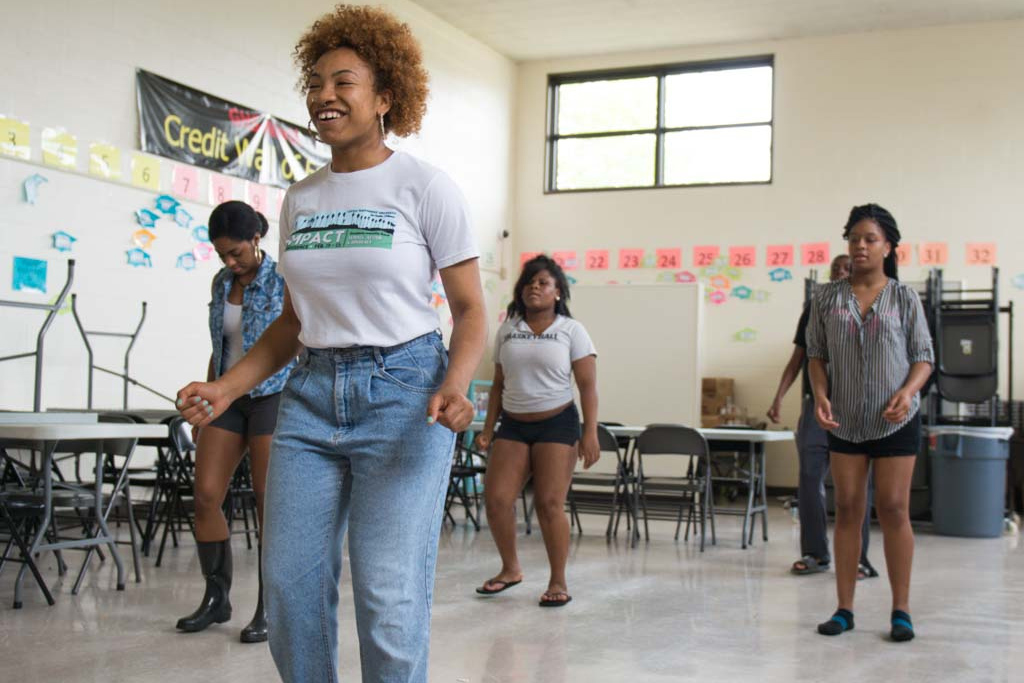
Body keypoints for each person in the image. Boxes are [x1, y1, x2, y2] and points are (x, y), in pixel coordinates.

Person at [176, 5, 487, 681]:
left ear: (384, 97)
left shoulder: (426, 187)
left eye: (343, 82)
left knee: (387, 595)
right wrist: (225, 386)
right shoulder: (302, 199)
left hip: (404, 394)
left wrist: (455, 384)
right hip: (310, 396)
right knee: (289, 587)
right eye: (315, 83)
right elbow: (292, 321)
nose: (324, 96)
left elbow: (469, 311)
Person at [806, 204, 933, 642]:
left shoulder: (904, 298)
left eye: (870, 239)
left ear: (888, 247)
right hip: (844, 420)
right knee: (847, 509)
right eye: (854, 238)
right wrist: (820, 395)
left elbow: (924, 357)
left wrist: (908, 390)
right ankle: (844, 608)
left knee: (894, 508)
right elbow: (816, 356)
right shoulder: (825, 298)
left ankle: (901, 609)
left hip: (896, 420)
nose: (860, 246)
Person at [175, 200, 290, 643]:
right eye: (221, 254)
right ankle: (216, 598)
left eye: (235, 252)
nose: (229, 261)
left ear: (255, 240)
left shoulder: (283, 280)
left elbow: (293, 342)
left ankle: (269, 607)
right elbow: (221, 346)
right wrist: (207, 400)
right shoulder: (221, 283)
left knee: (268, 506)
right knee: (205, 495)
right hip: (227, 398)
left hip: (272, 396)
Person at [474, 255, 600, 608]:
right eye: (529, 282)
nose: (535, 287)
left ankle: (558, 580)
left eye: (543, 282)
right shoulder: (508, 329)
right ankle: (510, 569)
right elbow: (498, 385)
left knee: (548, 503)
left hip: (557, 423)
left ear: (558, 292)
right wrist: (487, 429)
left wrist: (590, 433)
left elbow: (588, 387)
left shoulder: (571, 331)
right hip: (513, 424)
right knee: (497, 499)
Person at [767, 254, 877, 580]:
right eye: (835, 271)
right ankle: (815, 553)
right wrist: (778, 397)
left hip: (856, 410)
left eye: (846, 270)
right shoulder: (816, 307)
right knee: (809, 480)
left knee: (857, 487)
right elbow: (798, 357)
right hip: (816, 407)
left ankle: (859, 558)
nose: (839, 275)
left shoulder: (873, 307)